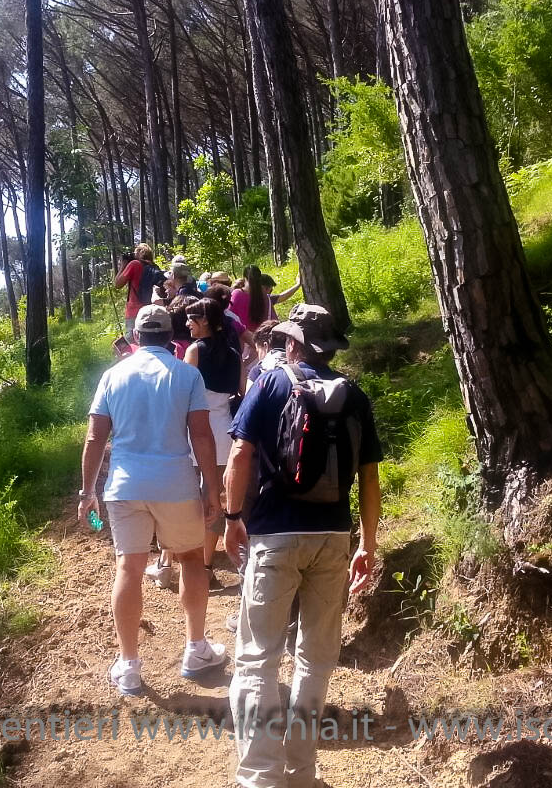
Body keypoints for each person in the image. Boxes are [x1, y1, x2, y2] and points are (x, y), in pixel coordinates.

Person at [223, 304, 382, 788]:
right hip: (333, 537)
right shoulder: (354, 395)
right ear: (331, 348)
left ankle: (260, 778)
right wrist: (367, 544)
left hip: (275, 533)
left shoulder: (270, 383)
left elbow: (240, 452)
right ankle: (301, 772)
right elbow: (370, 477)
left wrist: (232, 518)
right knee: (315, 660)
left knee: (257, 659)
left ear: (291, 342)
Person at [77, 304, 228, 695]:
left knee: (128, 568)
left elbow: (95, 438)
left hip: (125, 486)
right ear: (170, 337)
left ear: (137, 335)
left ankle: (128, 665)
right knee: (193, 558)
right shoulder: (186, 375)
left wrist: (87, 492)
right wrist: (212, 488)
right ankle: (196, 649)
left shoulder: (113, 375)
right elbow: (202, 437)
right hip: (175, 483)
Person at [183, 297, 242, 584]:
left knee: (188, 494)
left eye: (191, 319)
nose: (187, 324)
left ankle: (180, 559)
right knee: (214, 497)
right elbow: (240, 390)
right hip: (224, 428)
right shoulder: (233, 353)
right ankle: (206, 565)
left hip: (196, 428)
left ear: (204, 320)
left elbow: (182, 391)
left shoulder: (194, 351)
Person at [114, 244, 163, 326]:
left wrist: (123, 265)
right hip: (152, 309)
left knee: (133, 337)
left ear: (139, 253)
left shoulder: (134, 264)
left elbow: (118, 284)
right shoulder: (155, 267)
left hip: (135, 311)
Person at [245, 319, 287, 392]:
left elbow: (248, 400)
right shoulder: (297, 365)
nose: (258, 356)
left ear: (266, 346)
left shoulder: (258, 371)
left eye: (258, 350)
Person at [229, 265, 272, 330]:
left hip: (241, 336)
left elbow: (229, 315)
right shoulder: (264, 296)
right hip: (258, 335)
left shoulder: (237, 294)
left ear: (244, 278)